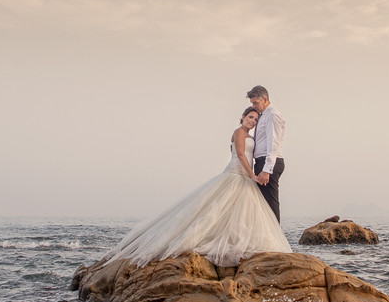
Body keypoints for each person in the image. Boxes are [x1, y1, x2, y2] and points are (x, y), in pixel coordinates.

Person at [100, 107, 292, 268]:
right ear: (242, 117)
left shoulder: (249, 134)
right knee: (216, 209)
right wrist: (252, 174)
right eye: (250, 117)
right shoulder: (239, 132)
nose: (253, 121)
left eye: (256, 119)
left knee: (238, 213)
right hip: (237, 174)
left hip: (244, 176)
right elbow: (241, 155)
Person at [247, 85, 286, 222]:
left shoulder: (272, 115)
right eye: (252, 103)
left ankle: (275, 239)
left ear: (264, 99)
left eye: (255, 103)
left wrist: (267, 170)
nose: (254, 106)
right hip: (262, 162)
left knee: (270, 203)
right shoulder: (264, 116)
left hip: (268, 163)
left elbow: (273, 143)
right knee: (264, 204)